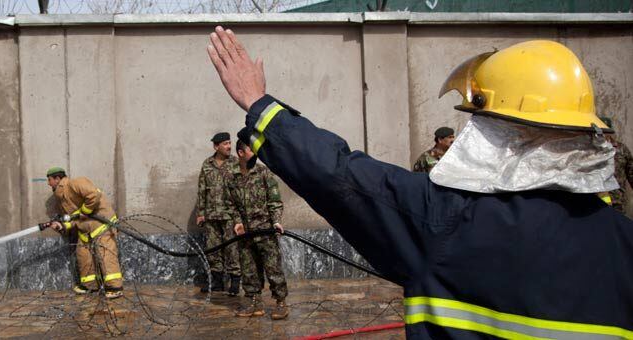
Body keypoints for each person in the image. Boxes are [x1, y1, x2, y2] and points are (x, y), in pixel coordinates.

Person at [207, 26, 632, 339]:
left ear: (501, 135)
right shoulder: (623, 243)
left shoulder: (446, 222)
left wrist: (259, 105)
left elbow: (340, 175)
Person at [227, 128, 288, 320]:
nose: (256, 152)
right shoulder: (231, 176)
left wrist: (276, 221)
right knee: (249, 269)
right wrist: (237, 223)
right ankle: (255, 303)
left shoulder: (263, 172)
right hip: (245, 234)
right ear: (241, 153)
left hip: (265, 231)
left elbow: (275, 201)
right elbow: (231, 204)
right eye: (252, 149)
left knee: (273, 268)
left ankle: (280, 303)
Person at [46, 167, 124, 299]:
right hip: (85, 228)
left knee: (106, 254)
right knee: (83, 255)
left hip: (101, 224)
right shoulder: (62, 199)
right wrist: (61, 226)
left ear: (57, 178)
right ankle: (90, 285)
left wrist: (85, 212)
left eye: (49, 180)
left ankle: (115, 286)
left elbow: (94, 195)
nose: (48, 183)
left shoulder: (75, 183)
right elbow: (74, 219)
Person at [195, 132, 242, 295]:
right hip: (211, 215)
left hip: (230, 215)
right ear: (216, 146)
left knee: (232, 249)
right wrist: (201, 213)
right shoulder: (207, 164)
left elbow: (241, 191)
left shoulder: (236, 163)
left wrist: (239, 218)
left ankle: (235, 282)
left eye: (230, 143)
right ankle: (217, 282)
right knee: (213, 248)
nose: (229, 146)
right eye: (225, 144)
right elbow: (202, 190)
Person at [598, 116, 633, 214]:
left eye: (605, 130)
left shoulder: (621, 149)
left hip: (618, 202)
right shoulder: (591, 149)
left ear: (610, 131)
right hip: (597, 203)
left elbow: (631, 173)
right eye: (600, 130)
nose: (602, 133)